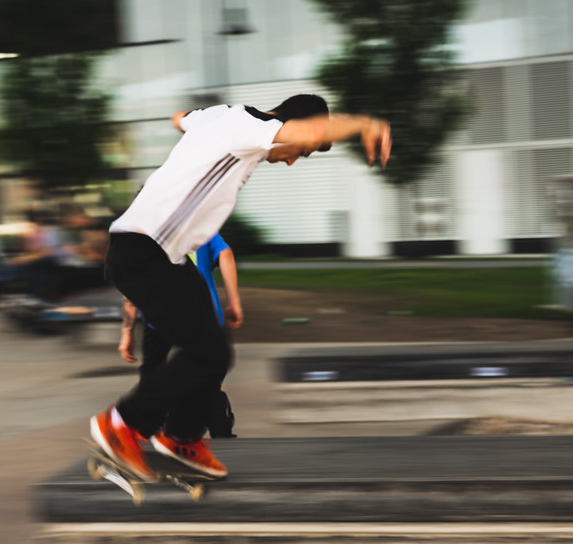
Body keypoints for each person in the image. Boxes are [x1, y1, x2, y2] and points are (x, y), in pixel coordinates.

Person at [90, 94, 391, 482]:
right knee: (206, 352)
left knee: (214, 353)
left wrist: (196, 127)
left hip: (165, 258)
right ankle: (121, 425)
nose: (293, 159)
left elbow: (178, 117)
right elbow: (314, 127)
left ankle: (181, 437)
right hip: (143, 252)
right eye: (302, 150)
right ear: (289, 125)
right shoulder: (251, 126)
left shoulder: (220, 118)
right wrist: (368, 123)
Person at [119, 233, 242, 439]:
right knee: (205, 371)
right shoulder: (202, 226)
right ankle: (219, 427)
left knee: (153, 372)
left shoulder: (147, 232)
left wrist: (126, 332)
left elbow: (132, 285)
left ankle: (148, 429)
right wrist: (234, 301)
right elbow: (226, 254)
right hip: (201, 314)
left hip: (160, 316)